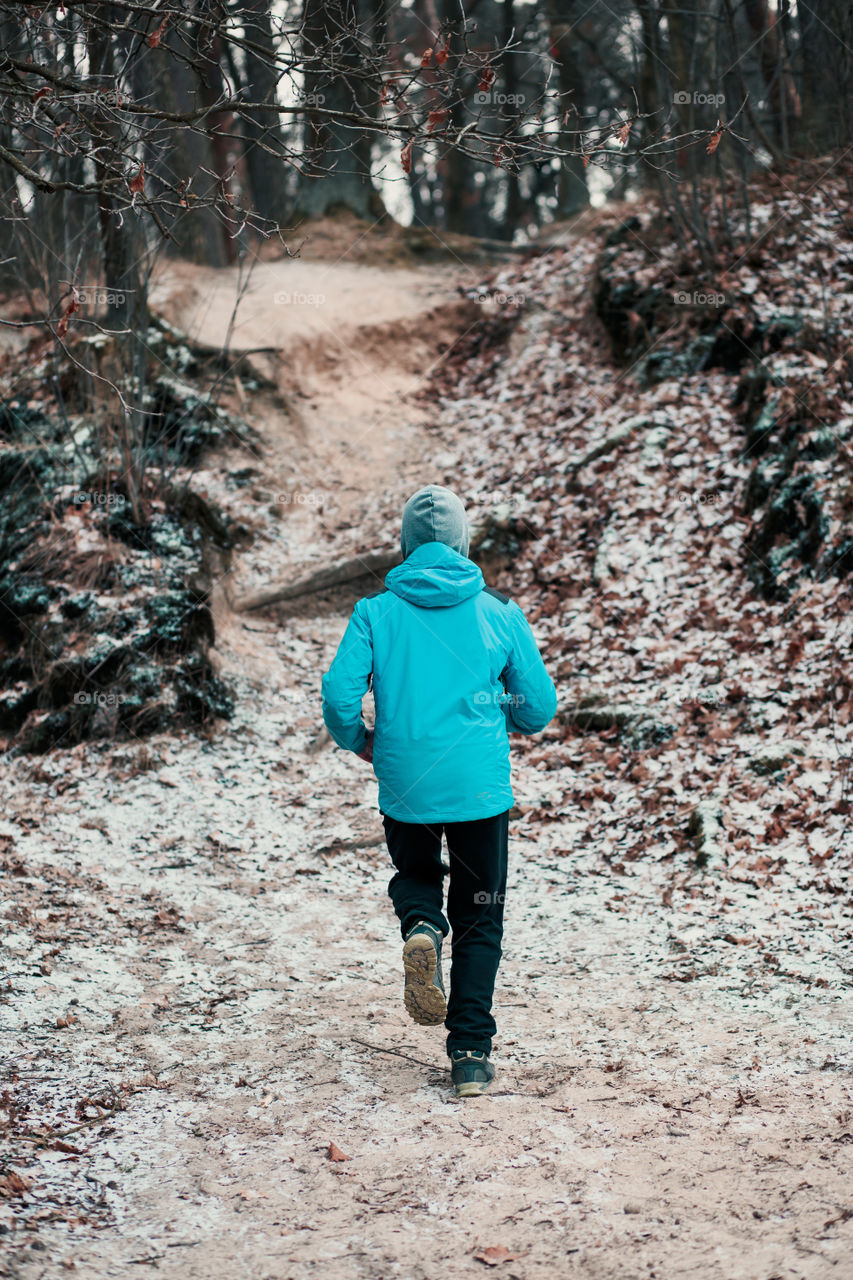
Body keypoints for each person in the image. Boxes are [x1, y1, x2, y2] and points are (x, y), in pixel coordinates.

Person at [321, 485, 557, 1097]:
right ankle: (471, 1052)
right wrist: (494, 708)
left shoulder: (375, 612)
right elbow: (537, 709)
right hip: (479, 786)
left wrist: (363, 740)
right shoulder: (499, 614)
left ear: (405, 546)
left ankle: (422, 926)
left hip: (407, 780)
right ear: (463, 544)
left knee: (417, 874)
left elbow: (338, 697)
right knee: (481, 914)